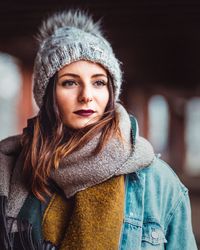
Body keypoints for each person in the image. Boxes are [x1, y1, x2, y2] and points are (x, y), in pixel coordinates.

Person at [0, 9, 197, 250]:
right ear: (47, 93)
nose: (86, 96)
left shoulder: (158, 183)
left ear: (111, 93)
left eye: (99, 82)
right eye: (70, 82)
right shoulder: (9, 172)